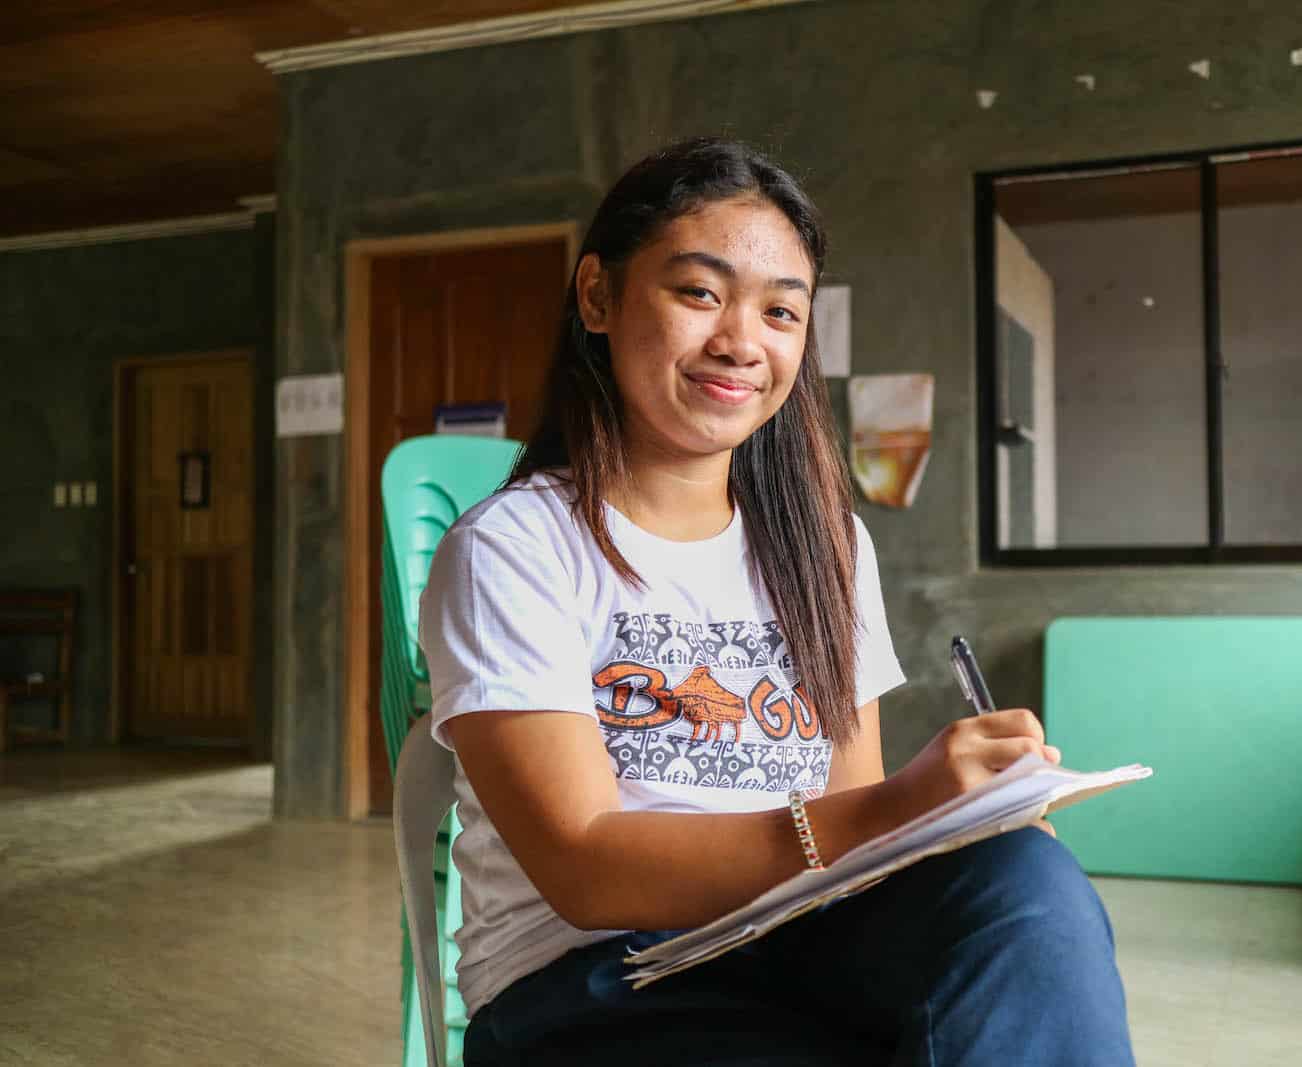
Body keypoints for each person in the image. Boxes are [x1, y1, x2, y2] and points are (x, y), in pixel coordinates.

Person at [419, 136, 1134, 1066]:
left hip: (796, 945)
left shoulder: (826, 540)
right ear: (598, 295)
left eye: (781, 312)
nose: (741, 342)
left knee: (1027, 881)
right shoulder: (514, 547)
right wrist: (900, 803)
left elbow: (849, 830)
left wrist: (953, 822)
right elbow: (584, 868)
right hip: (593, 987)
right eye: (700, 293)